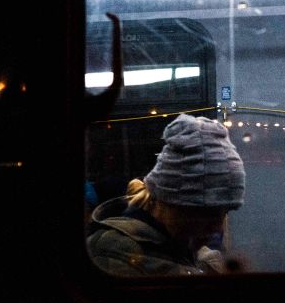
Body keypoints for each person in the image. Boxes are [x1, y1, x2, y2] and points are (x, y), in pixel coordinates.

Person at [87, 113, 246, 276]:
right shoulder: (113, 256)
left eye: (224, 212)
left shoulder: (184, 246)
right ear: (171, 201)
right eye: (208, 213)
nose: (218, 227)